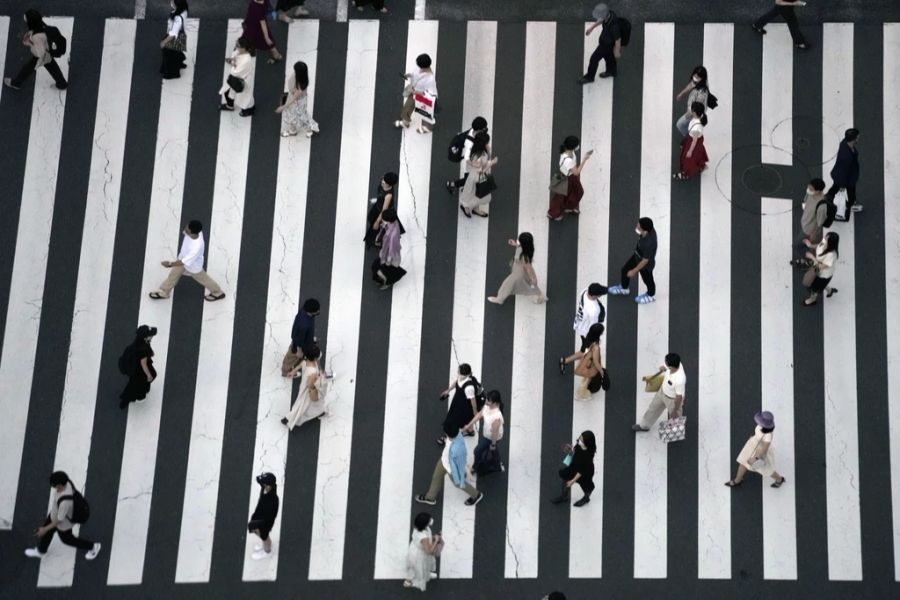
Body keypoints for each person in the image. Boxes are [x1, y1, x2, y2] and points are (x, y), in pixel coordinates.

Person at [24, 472, 101, 560]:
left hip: (63, 523)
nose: (54, 488)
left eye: (54, 486)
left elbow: (60, 519)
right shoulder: (67, 483)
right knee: (48, 532)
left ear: (60, 485)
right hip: (55, 515)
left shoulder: (65, 502)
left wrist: (44, 529)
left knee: (67, 539)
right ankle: (41, 551)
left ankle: (93, 547)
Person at [148, 220, 226, 302]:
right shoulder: (195, 232)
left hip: (193, 266)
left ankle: (218, 292)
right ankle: (165, 292)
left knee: (204, 279)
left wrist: (170, 264)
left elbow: (184, 262)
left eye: (187, 228)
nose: (185, 228)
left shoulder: (196, 247)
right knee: (173, 275)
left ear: (192, 233)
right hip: (183, 259)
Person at [415, 429, 484, 507]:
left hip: (451, 468)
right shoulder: (453, 437)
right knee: (436, 477)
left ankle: (476, 495)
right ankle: (430, 497)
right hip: (444, 461)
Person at [4, 9, 68, 90]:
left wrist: (30, 41)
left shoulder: (36, 37)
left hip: (42, 55)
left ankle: (16, 83)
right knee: (52, 67)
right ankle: (62, 84)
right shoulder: (42, 26)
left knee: (28, 68)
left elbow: (40, 53)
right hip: (47, 50)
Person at [725, 411, 786, 488]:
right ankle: (737, 480)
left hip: (759, 451)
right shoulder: (762, 427)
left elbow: (764, 448)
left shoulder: (768, 435)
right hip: (753, 444)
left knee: (767, 470)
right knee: (743, 463)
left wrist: (755, 458)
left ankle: (779, 479)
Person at [487, 233, 547, 305]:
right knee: (528, 284)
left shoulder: (524, 257)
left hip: (518, 274)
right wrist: (515, 244)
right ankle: (538, 298)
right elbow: (528, 267)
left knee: (506, 285)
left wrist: (534, 278)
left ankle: (499, 299)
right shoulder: (526, 249)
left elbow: (529, 269)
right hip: (520, 271)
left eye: (519, 240)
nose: (518, 240)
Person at [608, 217, 657, 304]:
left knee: (648, 280)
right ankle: (624, 287)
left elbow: (645, 261)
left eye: (638, 228)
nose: (636, 228)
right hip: (637, 256)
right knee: (625, 270)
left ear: (645, 230)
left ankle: (650, 295)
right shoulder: (648, 231)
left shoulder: (649, 243)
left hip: (645, 265)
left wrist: (634, 271)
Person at [560, 283, 607, 373]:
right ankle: (565, 361)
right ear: (594, 296)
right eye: (600, 294)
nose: (601, 295)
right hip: (587, 332)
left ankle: (566, 361)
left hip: (581, 324)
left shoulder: (585, 292)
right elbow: (594, 328)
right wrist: (595, 340)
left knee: (586, 350)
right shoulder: (594, 311)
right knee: (584, 352)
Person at [632, 353, 685, 432]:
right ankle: (644, 426)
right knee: (652, 409)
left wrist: (675, 410)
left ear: (671, 366)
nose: (665, 364)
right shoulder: (676, 363)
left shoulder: (679, 379)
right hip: (662, 393)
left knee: (675, 416)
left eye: (666, 363)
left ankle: (675, 430)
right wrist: (664, 367)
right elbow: (664, 366)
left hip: (672, 400)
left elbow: (679, 397)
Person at [547, 136, 593, 221]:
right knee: (560, 197)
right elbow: (576, 172)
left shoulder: (567, 151)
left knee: (576, 192)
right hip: (567, 178)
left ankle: (568, 207)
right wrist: (584, 159)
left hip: (570, 177)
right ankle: (553, 214)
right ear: (573, 147)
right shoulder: (568, 160)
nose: (578, 146)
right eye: (577, 145)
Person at [280, 346, 327, 429]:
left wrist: (293, 371)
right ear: (315, 358)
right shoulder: (313, 371)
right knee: (302, 404)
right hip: (307, 389)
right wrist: (319, 377)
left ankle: (320, 412)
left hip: (303, 386)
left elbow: (302, 364)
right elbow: (310, 384)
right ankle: (289, 418)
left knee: (304, 403)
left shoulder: (307, 362)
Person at [463, 390, 505, 475]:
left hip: (491, 438)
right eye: (487, 399)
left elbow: (495, 433)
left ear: (495, 403)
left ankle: (476, 466)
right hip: (487, 434)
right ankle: (497, 464)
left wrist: (493, 444)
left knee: (477, 451)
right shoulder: (487, 406)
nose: (486, 402)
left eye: (489, 401)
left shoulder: (497, 417)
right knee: (492, 451)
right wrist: (469, 425)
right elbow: (480, 414)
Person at [577, 3, 622, 83]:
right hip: (606, 43)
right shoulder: (609, 14)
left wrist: (617, 51)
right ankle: (612, 71)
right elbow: (601, 20)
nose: (598, 17)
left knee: (594, 59)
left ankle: (589, 77)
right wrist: (592, 28)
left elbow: (617, 39)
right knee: (609, 58)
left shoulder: (614, 26)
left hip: (606, 45)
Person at [438, 364, 480, 446]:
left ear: (463, 374)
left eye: (459, 371)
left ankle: (448, 437)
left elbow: (473, 401)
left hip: (463, 407)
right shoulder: (462, 377)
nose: (457, 372)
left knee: (453, 422)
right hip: (458, 402)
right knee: (465, 420)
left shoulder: (469, 388)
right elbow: (457, 382)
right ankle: (470, 431)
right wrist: (448, 390)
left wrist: (475, 413)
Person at [458, 132, 497, 218]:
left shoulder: (475, 150)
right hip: (478, 177)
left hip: (474, 176)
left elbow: (471, 163)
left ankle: (472, 208)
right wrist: (492, 163)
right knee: (478, 193)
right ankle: (467, 207)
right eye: (487, 142)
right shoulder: (480, 156)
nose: (488, 143)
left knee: (474, 193)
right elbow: (481, 170)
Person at [552, 431, 597, 507]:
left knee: (587, 486)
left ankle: (586, 498)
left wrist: (572, 481)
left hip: (585, 472)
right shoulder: (579, 445)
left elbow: (581, 471)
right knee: (565, 479)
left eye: (581, 440)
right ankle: (564, 497)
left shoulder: (588, 455)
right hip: (575, 467)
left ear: (587, 442)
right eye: (579, 437)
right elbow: (575, 452)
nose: (578, 440)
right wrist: (571, 451)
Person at [395, 53, 437, 133]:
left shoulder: (430, 79)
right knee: (407, 107)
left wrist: (416, 92)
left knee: (425, 114)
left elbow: (429, 93)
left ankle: (427, 128)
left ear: (424, 66)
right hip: (414, 92)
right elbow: (414, 75)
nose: (418, 68)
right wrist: (409, 75)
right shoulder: (418, 68)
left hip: (423, 98)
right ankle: (405, 122)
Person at [446, 116, 489, 194]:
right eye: (484, 128)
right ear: (479, 129)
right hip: (466, 161)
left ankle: (453, 185)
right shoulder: (469, 144)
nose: (485, 129)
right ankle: (453, 185)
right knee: (470, 179)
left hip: (469, 158)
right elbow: (467, 158)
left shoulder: (473, 131)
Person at [119, 325, 158, 409]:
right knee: (142, 381)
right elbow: (143, 364)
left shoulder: (140, 342)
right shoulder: (142, 349)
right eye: (150, 336)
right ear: (145, 337)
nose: (151, 337)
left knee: (135, 383)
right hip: (139, 369)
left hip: (136, 367)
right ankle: (138, 396)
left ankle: (128, 398)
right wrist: (148, 375)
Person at [276, 61, 318, 137]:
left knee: (299, 116)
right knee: (296, 116)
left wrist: (283, 107)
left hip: (296, 102)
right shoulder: (302, 78)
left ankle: (308, 130)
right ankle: (293, 130)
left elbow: (294, 99)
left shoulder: (300, 87)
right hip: (296, 100)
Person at [827, 128, 862, 217]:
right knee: (850, 191)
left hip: (842, 176)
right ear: (854, 139)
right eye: (857, 137)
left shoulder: (845, 143)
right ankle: (850, 204)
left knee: (834, 188)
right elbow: (843, 171)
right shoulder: (846, 157)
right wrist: (843, 185)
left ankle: (827, 200)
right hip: (846, 178)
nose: (859, 138)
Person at [281, 298, 319, 377]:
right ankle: (286, 371)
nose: (318, 311)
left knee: (301, 354)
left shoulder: (304, 311)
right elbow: (298, 339)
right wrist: (299, 351)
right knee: (292, 356)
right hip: (300, 343)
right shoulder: (304, 325)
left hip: (306, 340)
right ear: (310, 312)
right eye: (317, 311)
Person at [219, 36, 256, 117]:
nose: (236, 46)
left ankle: (249, 110)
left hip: (243, 80)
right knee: (227, 91)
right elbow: (233, 55)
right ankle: (230, 105)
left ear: (244, 48)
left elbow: (235, 72)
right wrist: (233, 61)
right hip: (237, 78)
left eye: (238, 45)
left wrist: (233, 63)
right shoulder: (239, 51)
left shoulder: (247, 60)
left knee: (245, 97)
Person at [403, 513, 440, 590]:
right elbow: (429, 551)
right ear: (425, 524)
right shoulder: (423, 537)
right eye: (429, 520)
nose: (431, 520)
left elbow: (426, 538)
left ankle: (426, 574)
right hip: (419, 555)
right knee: (416, 568)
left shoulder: (418, 528)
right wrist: (436, 541)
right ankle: (408, 581)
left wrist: (431, 538)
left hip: (417, 549)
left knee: (422, 566)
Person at [371, 209, 407, 289]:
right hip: (386, 253)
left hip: (390, 258)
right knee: (379, 268)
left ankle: (387, 283)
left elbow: (392, 250)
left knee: (383, 271)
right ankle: (386, 280)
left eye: (383, 219)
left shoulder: (393, 235)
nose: (382, 220)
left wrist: (387, 262)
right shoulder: (394, 222)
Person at [673, 101, 709, 180]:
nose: (690, 111)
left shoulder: (697, 127)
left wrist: (690, 151)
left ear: (695, 113)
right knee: (697, 155)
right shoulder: (696, 118)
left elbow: (694, 141)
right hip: (693, 140)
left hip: (693, 143)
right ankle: (701, 166)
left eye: (692, 110)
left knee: (688, 160)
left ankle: (686, 174)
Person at [801, 231, 839, 306]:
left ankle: (812, 300)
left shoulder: (831, 255)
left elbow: (821, 266)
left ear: (831, 243)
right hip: (818, 270)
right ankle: (830, 291)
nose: (824, 239)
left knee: (814, 288)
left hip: (823, 275)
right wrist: (810, 245)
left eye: (826, 239)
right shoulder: (825, 243)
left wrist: (812, 257)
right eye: (825, 237)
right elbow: (820, 245)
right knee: (819, 286)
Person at [248, 472, 280, 560]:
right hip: (260, 515)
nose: (262, 484)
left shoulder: (272, 501)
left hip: (265, 521)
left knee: (264, 536)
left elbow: (269, 517)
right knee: (258, 532)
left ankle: (267, 551)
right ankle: (265, 545)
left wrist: (261, 526)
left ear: (268, 486)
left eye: (264, 483)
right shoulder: (265, 489)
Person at [365, 172, 399, 248]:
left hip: (383, 213)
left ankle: (378, 241)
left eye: (385, 182)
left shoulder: (388, 195)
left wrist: (377, 221)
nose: (383, 181)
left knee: (379, 227)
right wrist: (377, 200)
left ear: (390, 184)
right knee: (371, 220)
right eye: (383, 179)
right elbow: (381, 194)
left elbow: (384, 210)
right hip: (378, 207)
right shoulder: (383, 183)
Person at [674, 66, 709, 138]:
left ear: (702, 78)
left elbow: (698, 107)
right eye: (694, 76)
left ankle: (689, 138)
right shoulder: (698, 82)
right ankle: (690, 138)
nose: (694, 78)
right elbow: (691, 85)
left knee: (680, 124)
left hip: (694, 113)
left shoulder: (702, 93)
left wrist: (689, 114)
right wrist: (681, 93)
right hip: (692, 110)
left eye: (697, 77)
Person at [572, 323, 605, 401]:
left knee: (587, 378)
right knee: (587, 380)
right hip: (592, 364)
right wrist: (601, 371)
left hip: (588, 361)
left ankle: (583, 392)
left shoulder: (589, 337)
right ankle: (581, 394)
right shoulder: (596, 347)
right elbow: (596, 362)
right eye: (601, 331)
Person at [159, 0, 189, 80]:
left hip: (173, 38)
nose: (171, 2)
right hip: (180, 36)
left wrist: (164, 42)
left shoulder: (177, 17)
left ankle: (173, 73)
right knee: (176, 52)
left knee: (169, 55)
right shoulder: (184, 10)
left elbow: (173, 33)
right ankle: (179, 63)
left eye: (172, 1)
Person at [798, 178, 828, 248]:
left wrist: (812, 236)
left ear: (818, 191)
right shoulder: (810, 193)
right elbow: (805, 200)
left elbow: (819, 224)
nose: (808, 190)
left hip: (809, 230)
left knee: (803, 245)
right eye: (808, 187)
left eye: (811, 189)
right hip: (805, 223)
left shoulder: (822, 206)